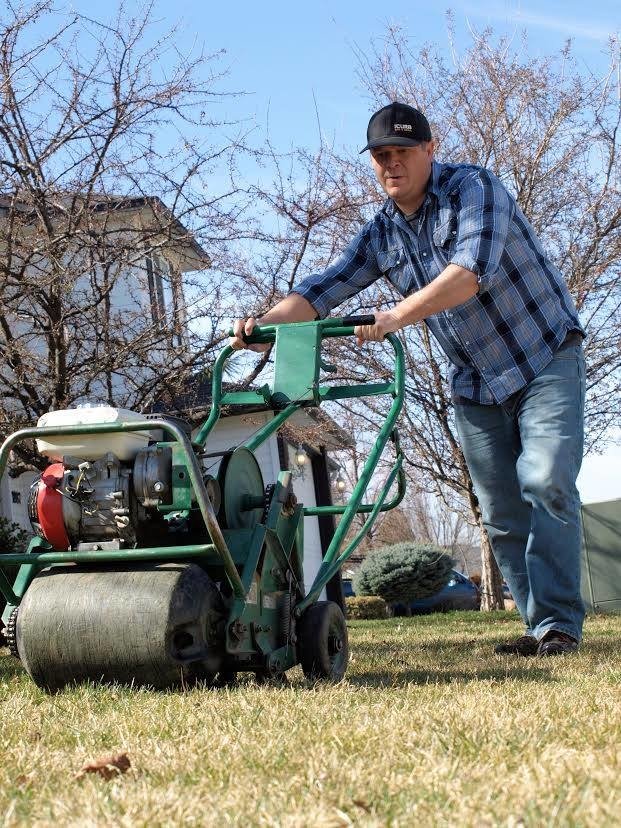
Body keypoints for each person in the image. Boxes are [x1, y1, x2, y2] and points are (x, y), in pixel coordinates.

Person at [231, 101, 586, 657]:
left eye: (401, 152)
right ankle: (540, 626)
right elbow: (326, 289)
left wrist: (396, 315)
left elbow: (468, 274)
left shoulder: (475, 190)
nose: (391, 165)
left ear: (429, 149)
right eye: (380, 157)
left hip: (545, 357)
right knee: (500, 513)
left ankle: (560, 626)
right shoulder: (382, 234)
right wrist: (266, 325)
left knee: (544, 481)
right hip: (476, 381)